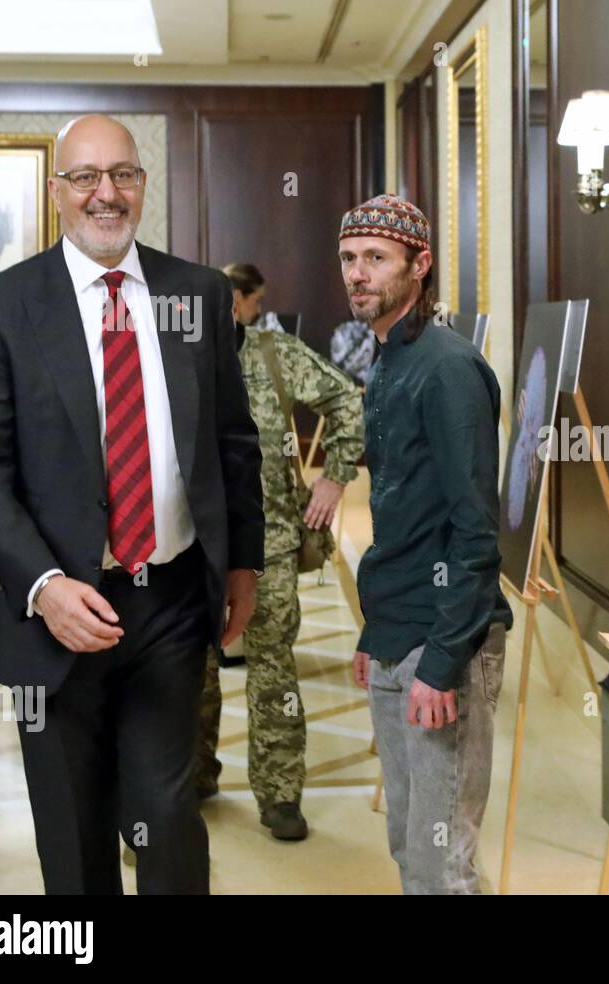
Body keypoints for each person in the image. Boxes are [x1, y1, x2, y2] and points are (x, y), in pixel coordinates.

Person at [0, 114, 264, 894]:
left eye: (122, 174)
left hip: (170, 602)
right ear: (58, 192)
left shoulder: (198, 293)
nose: (106, 193)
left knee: (166, 810)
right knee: (74, 831)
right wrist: (45, 587)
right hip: (52, 614)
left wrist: (245, 563)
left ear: (143, 186)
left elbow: (233, 441)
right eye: (85, 177)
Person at [342, 194, 512, 894]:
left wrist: (440, 663)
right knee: (409, 846)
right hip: (397, 627)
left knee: (443, 863)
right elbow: (400, 514)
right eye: (350, 259)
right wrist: (374, 631)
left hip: (446, 638)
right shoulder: (383, 359)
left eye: (377, 259)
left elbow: (474, 531)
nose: (359, 274)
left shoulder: (447, 369)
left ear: (421, 264)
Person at [198, 265, 363, 840]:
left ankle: (280, 794)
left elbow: (349, 402)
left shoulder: (275, 354)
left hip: (269, 544)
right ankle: (194, 776)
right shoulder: (176, 358)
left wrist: (334, 478)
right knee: (192, 667)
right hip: (191, 546)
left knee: (272, 669)